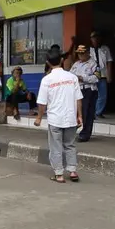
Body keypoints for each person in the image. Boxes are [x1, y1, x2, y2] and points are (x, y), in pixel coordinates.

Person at [34, 47, 83, 183]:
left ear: (48, 63)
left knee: (55, 147)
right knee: (70, 145)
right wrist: (80, 116)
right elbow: (78, 98)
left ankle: (59, 174)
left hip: (55, 119)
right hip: (70, 118)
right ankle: (72, 171)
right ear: (62, 60)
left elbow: (42, 103)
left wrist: (39, 118)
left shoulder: (47, 80)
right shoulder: (72, 77)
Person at [70, 45, 99, 142]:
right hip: (77, 90)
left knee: (87, 113)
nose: (80, 56)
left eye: (82, 53)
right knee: (75, 111)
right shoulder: (76, 64)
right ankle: (71, 132)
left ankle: (85, 134)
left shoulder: (93, 64)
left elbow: (96, 78)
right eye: (79, 54)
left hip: (88, 90)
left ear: (87, 53)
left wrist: (82, 78)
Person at [89, 31, 113, 118]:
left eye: (97, 37)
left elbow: (109, 61)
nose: (95, 39)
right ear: (91, 39)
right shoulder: (88, 50)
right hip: (92, 75)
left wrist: (109, 75)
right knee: (92, 94)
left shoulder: (105, 49)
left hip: (102, 74)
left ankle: (98, 112)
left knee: (103, 95)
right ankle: (92, 112)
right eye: (93, 37)